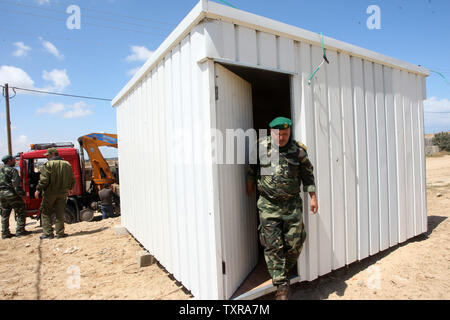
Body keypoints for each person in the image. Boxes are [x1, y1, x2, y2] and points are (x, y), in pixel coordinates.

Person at [246, 117, 318, 300]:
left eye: (286, 134)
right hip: (268, 204)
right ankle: (281, 285)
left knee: (295, 243)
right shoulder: (260, 147)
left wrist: (313, 197)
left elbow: (307, 175)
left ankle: (281, 272)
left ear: (290, 133)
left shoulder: (298, 150)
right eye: (279, 134)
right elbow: (252, 168)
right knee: (272, 245)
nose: (282, 137)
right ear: (271, 132)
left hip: (292, 204)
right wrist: (249, 183)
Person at [35, 148, 75, 239]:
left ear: (53, 154)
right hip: (62, 193)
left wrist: (38, 189)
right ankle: (60, 233)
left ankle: (48, 233)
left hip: (50, 193)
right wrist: (70, 188)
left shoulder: (48, 165)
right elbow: (72, 178)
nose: (47, 157)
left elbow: (44, 180)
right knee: (60, 213)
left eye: (48, 155)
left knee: (45, 212)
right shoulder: (67, 164)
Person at [0, 155, 31, 239]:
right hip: (11, 194)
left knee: (5, 214)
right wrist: (22, 195)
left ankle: (5, 233)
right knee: (21, 211)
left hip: (2, 195)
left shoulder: (0, 170)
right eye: (13, 160)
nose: (15, 161)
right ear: (9, 161)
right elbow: (16, 186)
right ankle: (20, 231)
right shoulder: (12, 170)